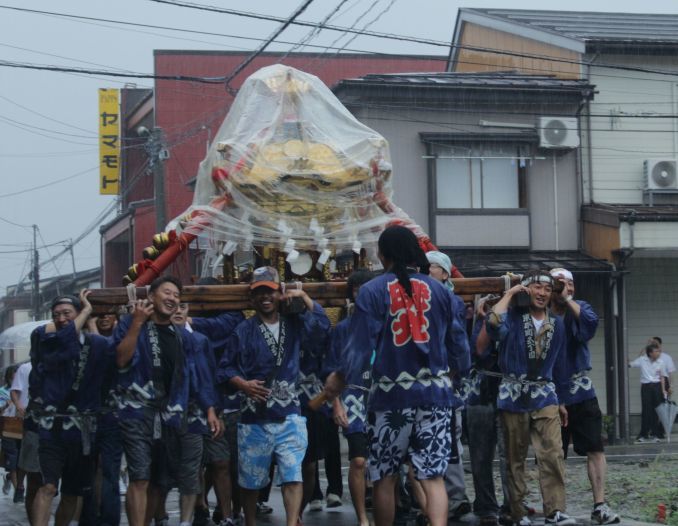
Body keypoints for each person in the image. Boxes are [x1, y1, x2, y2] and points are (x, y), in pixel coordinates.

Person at [324, 225, 470, 526]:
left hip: (391, 397)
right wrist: (453, 374)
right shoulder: (441, 291)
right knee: (432, 476)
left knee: (385, 476)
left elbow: (360, 345)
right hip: (436, 397)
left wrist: (339, 378)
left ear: (381, 255)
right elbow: (460, 347)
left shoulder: (372, 291)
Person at [218, 266, 330, 526]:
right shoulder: (243, 331)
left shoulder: (296, 323)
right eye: (258, 293)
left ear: (280, 293)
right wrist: (243, 384)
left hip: (290, 414)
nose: (264, 298)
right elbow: (224, 369)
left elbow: (323, 331)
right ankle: (250, 522)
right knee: (250, 481)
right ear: (251, 299)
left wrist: (305, 299)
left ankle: (292, 522)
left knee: (293, 475)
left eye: (269, 291)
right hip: (253, 418)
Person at [113, 276, 220, 526]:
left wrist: (210, 409)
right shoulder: (131, 323)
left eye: (177, 296)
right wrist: (138, 321)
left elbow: (198, 376)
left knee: (160, 482)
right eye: (167, 293)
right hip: (136, 412)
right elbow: (120, 360)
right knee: (139, 477)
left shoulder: (183, 336)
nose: (172, 298)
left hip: (169, 414)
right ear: (150, 296)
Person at [486, 269, 574, 526]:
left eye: (547, 289)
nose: (542, 293)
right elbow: (492, 324)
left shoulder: (556, 324)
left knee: (553, 452)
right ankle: (518, 512)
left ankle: (555, 510)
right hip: (513, 393)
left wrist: (562, 401)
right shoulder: (512, 318)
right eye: (536, 287)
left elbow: (560, 365)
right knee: (515, 456)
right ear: (526, 290)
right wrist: (510, 293)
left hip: (545, 394)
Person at [30, 291, 115, 526]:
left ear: (77, 314)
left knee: (73, 492)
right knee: (47, 485)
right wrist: (87, 311)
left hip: (81, 430)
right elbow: (65, 342)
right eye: (56, 314)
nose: (61, 318)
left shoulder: (95, 343)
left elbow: (115, 358)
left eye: (67, 313)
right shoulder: (44, 337)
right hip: (52, 427)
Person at [549, 268, 620, 525]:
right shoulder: (540, 313)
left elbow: (590, 326)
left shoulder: (581, 307)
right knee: (554, 455)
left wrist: (568, 300)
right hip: (550, 393)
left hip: (581, 391)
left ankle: (599, 505)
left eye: (569, 284)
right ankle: (556, 509)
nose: (565, 287)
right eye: (559, 284)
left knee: (595, 449)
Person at [174, 301, 244, 526]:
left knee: (221, 461)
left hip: (209, 407)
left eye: (183, 306)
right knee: (191, 465)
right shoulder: (160, 336)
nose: (178, 311)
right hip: (179, 411)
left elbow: (207, 376)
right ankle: (197, 508)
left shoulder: (201, 338)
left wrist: (215, 409)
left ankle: (226, 515)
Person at [326, 269, 374, 526]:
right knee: (358, 460)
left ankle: (390, 508)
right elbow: (331, 368)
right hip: (353, 397)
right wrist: (336, 403)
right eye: (357, 291)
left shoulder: (385, 324)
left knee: (386, 463)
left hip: (383, 396)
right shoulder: (342, 329)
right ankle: (363, 518)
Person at [425, 250, 471, 520]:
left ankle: (455, 496)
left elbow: (458, 344)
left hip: (445, 380)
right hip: (426, 379)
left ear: (444, 273)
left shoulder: (450, 300)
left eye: (432, 267)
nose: (427, 271)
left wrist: (458, 372)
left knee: (449, 439)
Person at [463, 296, 511, 526]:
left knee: (510, 454)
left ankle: (512, 503)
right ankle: (486, 505)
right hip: (480, 390)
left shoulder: (515, 320)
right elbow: (480, 350)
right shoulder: (480, 321)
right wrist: (484, 319)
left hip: (508, 389)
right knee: (481, 455)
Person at [629, 343, 668, 443]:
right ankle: (643, 435)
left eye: (659, 351)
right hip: (646, 386)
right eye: (656, 351)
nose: (658, 353)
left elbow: (662, 377)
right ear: (650, 353)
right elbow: (630, 364)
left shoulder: (661, 362)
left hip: (657, 386)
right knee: (646, 410)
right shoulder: (642, 360)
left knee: (656, 410)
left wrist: (663, 390)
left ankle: (655, 434)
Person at [10, 360, 33, 513]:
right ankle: (20, 485)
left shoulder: (55, 365)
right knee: (24, 455)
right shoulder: (25, 369)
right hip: (25, 419)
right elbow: (14, 391)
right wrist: (19, 406)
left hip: (47, 418)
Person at [1, 365, 19, 498]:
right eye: (13, 377)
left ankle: (9, 477)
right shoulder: (2, 392)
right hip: (8, 430)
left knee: (21, 463)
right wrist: (6, 405)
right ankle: (19, 491)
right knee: (13, 461)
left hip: (24, 429)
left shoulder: (27, 391)